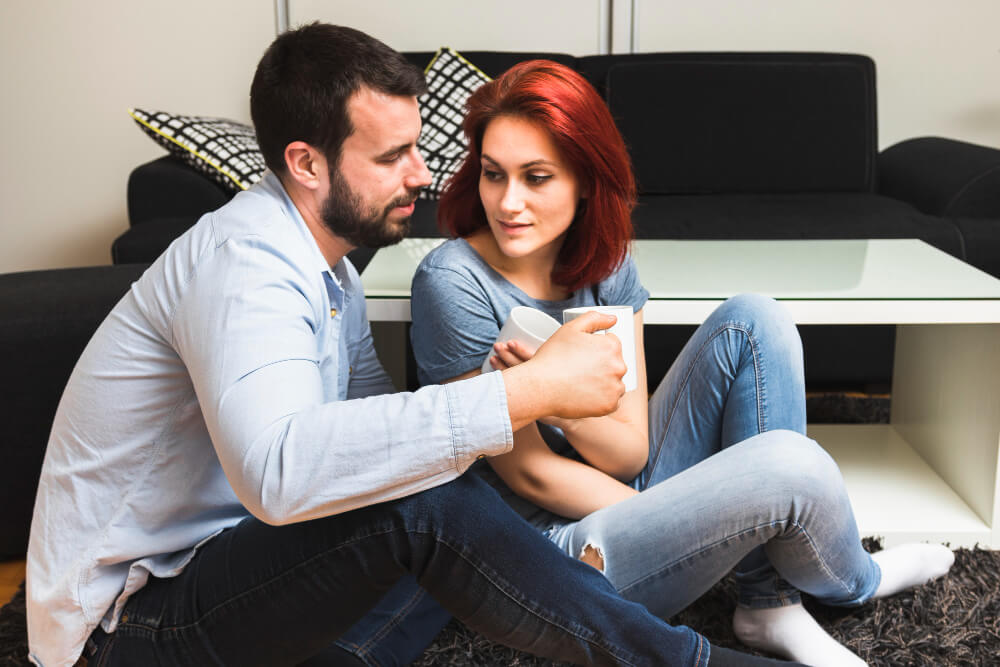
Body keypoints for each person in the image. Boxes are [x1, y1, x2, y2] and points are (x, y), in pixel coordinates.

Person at [23, 23, 804, 667]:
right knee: (432, 499)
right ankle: (685, 660)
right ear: (305, 163)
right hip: (127, 625)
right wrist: (528, 393)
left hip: (234, 563)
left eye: (418, 147)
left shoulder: (331, 273)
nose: (425, 175)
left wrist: (508, 455)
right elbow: (278, 472)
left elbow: (377, 429)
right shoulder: (243, 264)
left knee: (444, 484)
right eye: (392, 155)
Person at [409, 60, 956, 667]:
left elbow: (631, 452)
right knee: (785, 468)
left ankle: (769, 602)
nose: (508, 203)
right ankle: (857, 580)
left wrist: (555, 389)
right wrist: (698, 512)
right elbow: (530, 477)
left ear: (586, 181)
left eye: (536, 177)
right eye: (493, 174)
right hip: (545, 553)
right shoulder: (452, 284)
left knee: (756, 319)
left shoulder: (604, 264)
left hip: (618, 489)